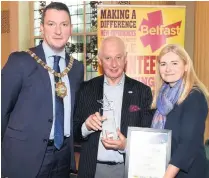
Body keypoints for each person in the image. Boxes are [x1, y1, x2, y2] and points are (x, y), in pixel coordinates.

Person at [1, 2, 84, 178]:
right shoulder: (21, 61)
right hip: (24, 157)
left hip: (62, 157)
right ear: (42, 28)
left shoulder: (76, 68)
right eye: (51, 24)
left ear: (71, 28)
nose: (58, 31)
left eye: (64, 24)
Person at [73, 36, 153, 178]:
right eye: (108, 58)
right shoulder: (86, 89)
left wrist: (126, 146)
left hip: (128, 170)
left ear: (126, 58)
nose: (114, 64)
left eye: (118, 57)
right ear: (100, 60)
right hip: (92, 170)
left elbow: (147, 138)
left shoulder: (142, 91)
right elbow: (74, 131)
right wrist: (86, 126)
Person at [151, 44, 209, 178]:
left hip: (186, 173)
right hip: (163, 168)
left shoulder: (194, 96)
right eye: (163, 64)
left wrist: (167, 176)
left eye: (174, 63)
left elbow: (188, 145)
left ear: (186, 66)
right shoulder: (162, 98)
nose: (168, 69)